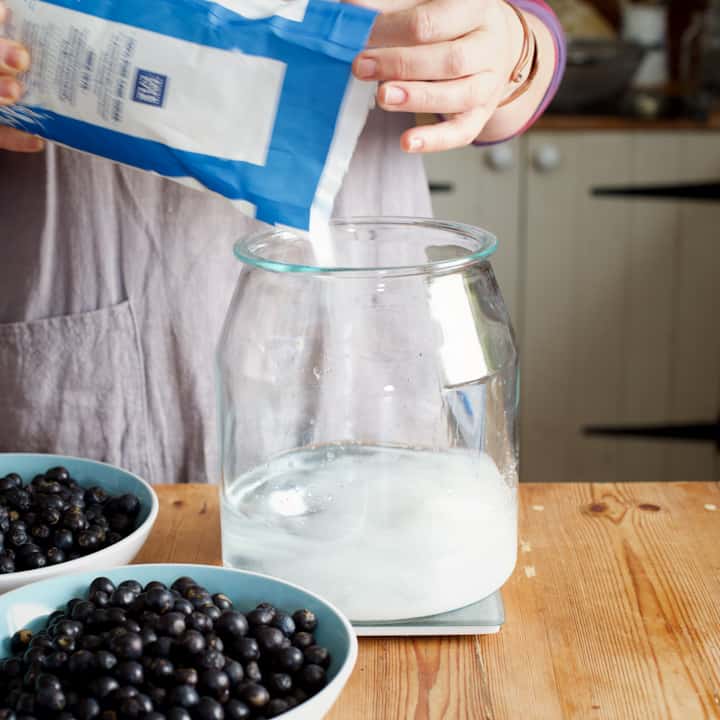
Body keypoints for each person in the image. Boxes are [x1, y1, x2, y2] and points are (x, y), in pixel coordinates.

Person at [0, 0, 564, 483]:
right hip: (84, 316)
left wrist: (515, 50)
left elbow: (520, 36)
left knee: (365, 549)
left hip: (360, 307)